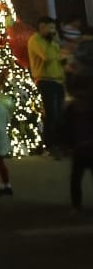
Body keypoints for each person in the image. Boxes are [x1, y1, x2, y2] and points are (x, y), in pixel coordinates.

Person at [28, 16, 66, 157]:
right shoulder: (35, 40)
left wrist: (57, 45)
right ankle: (50, 145)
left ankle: (58, 144)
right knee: (51, 114)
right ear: (41, 26)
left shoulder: (53, 41)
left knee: (60, 114)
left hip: (58, 81)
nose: (53, 31)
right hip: (45, 81)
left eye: (54, 28)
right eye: (50, 28)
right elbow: (47, 57)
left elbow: (62, 58)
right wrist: (53, 43)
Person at [64, 70, 93, 209]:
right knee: (75, 178)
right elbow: (65, 127)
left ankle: (76, 206)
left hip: (88, 147)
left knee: (76, 178)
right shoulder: (71, 110)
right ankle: (76, 205)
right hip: (79, 148)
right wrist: (68, 144)